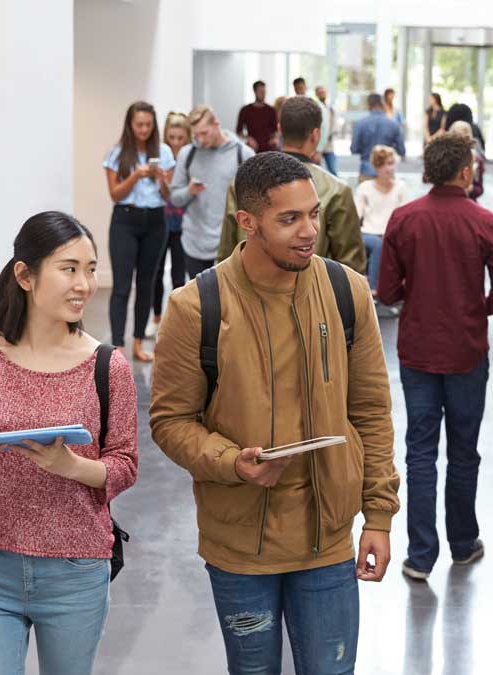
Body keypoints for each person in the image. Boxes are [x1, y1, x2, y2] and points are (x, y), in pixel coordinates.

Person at [150, 151, 399, 675]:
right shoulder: (196, 307)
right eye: (289, 219)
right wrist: (231, 461)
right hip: (239, 544)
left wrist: (378, 515)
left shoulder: (346, 291)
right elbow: (170, 421)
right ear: (247, 221)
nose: (309, 231)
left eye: (312, 213)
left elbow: (371, 411)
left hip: (327, 539)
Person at [0, 211, 138, 675]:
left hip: (77, 571)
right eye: (69, 269)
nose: (84, 284)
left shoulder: (109, 366)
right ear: (25, 275)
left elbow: (124, 465)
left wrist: (72, 466)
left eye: (90, 270)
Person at [377, 133, 493, 581]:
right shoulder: (487, 222)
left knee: (419, 452)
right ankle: (463, 541)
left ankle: (419, 555)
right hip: (468, 351)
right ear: (467, 171)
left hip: (416, 352)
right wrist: (481, 307)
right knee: (463, 451)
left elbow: (390, 292)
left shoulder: (403, 219)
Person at [218, 96, 366, 273]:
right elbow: (350, 265)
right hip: (310, 294)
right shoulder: (336, 189)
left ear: (279, 129)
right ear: (316, 134)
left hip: (246, 290)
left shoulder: (243, 182)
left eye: (314, 214)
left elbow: (227, 252)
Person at [103, 101, 176, 362]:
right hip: (125, 220)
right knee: (122, 286)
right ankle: (117, 346)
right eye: (139, 124)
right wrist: (135, 175)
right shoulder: (117, 153)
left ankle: (137, 344)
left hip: (155, 221)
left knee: (147, 283)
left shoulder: (164, 152)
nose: (144, 129)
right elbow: (115, 194)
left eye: (148, 124)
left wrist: (162, 180)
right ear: (130, 125)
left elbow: (169, 197)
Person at [169, 105, 250, 279]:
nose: (200, 140)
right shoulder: (187, 154)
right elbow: (175, 198)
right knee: (201, 302)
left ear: (216, 124)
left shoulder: (242, 154)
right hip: (194, 242)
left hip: (230, 244)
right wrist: (189, 191)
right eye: (195, 135)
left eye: (204, 133)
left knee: (229, 303)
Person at [153, 111, 191, 326]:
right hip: (161, 221)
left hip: (183, 223)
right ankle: (156, 317)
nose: (176, 143)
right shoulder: (161, 160)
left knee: (179, 274)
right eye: (171, 138)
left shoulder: (190, 160)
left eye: (180, 138)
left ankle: (177, 322)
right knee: (156, 272)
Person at [355, 145, 408, 297]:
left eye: (392, 163)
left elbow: (405, 216)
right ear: (377, 166)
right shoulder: (365, 188)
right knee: (379, 244)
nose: (390, 168)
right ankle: (374, 287)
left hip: (392, 233)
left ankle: (384, 286)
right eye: (386, 164)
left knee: (386, 243)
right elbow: (355, 215)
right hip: (368, 233)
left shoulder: (400, 187)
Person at [351, 93, 406, 183]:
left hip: (366, 171)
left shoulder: (359, 124)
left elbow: (354, 149)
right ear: (382, 104)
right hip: (387, 172)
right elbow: (402, 150)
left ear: (368, 105)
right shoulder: (393, 124)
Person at [236, 80, 278, 153]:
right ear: (255, 91)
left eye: (264, 92)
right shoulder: (245, 110)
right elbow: (239, 131)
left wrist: (274, 139)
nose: (263, 94)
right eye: (260, 91)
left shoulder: (271, 110)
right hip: (252, 150)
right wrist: (248, 139)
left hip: (269, 150)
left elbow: (275, 130)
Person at [448, 121, 485, 201]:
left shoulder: (476, 160)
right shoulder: (445, 158)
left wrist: (471, 189)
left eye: (464, 137)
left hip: (469, 201)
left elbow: (479, 189)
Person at [316, 85, 339, 175]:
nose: (322, 94)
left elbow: (334, 125)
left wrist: (330, 135)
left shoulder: (331, 108)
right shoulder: (317, 107)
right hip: (318, 145)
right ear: (316, 94)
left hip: (329, 144)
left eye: (323, 92)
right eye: (320, 93)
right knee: (318, 170)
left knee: (332, 170)